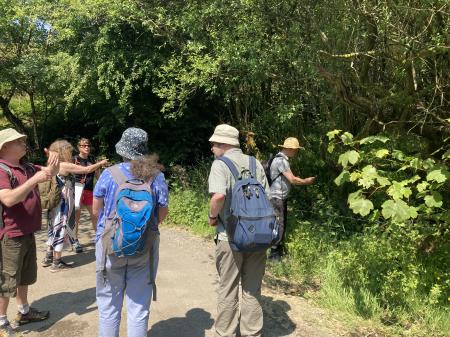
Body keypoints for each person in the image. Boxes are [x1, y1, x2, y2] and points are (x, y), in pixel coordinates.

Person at [93, 127, 168, 337]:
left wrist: (102, 234)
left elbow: (96, 210)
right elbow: (162, 212)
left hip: (110, 244)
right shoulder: (157, 177)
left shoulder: (109, 174)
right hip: (144, 246)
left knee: (108, 306)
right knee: (138, 307)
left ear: (122, 149)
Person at [208, 124, 269, 337]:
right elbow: (267, 198)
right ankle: (252, 333)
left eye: (214, 144)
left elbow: (218, 197)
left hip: (230, 236)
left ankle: (225, 333)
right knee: (252, 289)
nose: (212, 148)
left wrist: (212, 217)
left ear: (224, 144)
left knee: (228, 288)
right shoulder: (255, 163)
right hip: (259, 235)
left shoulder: (220, 165)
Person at [0, 128, 59, 337]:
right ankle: (1, 323)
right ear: (5, 147)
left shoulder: (25, 166)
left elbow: (51, 173)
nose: (24, 143)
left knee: (25, 276)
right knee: (7, 281)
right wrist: (34, 180)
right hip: (10, 234)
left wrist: (54, 161)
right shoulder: (2, 170)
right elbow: (7, 199)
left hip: (27, 231)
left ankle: (24, 312)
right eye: (19, 141)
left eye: (24, 140)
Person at [41, 140, 108, 272]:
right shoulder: (64, 165)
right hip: (62, 203)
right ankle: (56, 263)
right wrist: (101, 163)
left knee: (53, 228)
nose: (71, 153)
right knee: (61, 229)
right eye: (68, 150)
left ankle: (48, 256)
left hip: (55, 204)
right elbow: (86, 169)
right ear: (63, 151)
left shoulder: (52, 163)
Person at [268, 137, 315, 261]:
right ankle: (274, 254)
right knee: (279, 224)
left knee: (279, 223)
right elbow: (293, 179)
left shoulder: (278, 158)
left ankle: (277, 249)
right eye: (295, 149)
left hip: (277, 197)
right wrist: (306, 181)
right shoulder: (281, 161)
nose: (296, 152)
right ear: (289, 149)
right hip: (277, 197)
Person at [73, 137, 104, 253]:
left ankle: (99, 237)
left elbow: (98, 176)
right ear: (78, 147)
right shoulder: (74, 159)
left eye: (88, 145)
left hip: (90, 191)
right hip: (77, 190)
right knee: (76, 217)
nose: (86, 147)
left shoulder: (92, 159)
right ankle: (75, 240)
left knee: (96, 215)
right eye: (83, 145)